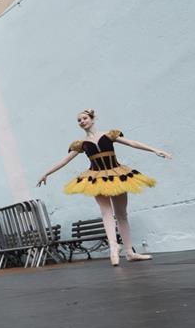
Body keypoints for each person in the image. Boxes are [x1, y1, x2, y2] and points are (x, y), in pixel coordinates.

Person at [37, 109, 171, 266]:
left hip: (117, 175)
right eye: (79, 120)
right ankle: (114, 247)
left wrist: (155, 150)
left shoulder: (109, 135)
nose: (82, 121)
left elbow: (132, 143)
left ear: (92, 119)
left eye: (84, 118)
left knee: (121, 214)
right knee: (106, 213)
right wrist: (47, 173)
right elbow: (64, 161)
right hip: (97, 178)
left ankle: (129, 252)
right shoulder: (81, 144)